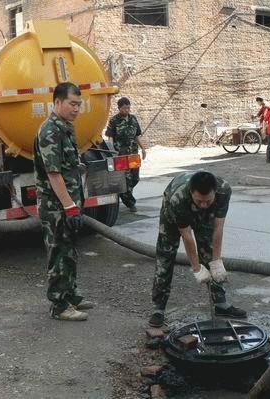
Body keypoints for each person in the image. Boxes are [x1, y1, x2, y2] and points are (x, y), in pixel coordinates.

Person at [149, 171, 247, 327]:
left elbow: (218, 227)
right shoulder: (178, 199)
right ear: (191, 193)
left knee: (207, 251)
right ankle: (158, 308)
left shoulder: (224, 190)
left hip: (205, 214)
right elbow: (186, 236)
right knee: (166, 255)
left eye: (207, 201)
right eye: (199, 201)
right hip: (172, 212)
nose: (203, 205)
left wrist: (216, 261)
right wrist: (196, 268)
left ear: (215, 192)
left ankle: (220, 304)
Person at [33, 82, 94, 321]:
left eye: (79, 104)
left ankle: (71, 295)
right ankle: (59, 305)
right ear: (57, 102)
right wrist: (69, 206)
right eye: (72, 104)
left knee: (69, 251)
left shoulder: (66, 127)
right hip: (56, 207)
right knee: (58, 252)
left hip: (68, 204)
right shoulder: (50, 130)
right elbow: (53, 173)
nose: (76, 109)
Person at [105, 97, 146, 213]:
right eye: (124, 108)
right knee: (126, 180)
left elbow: (137, 135)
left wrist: (143, 148)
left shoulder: (133, 119)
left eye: (128, 108)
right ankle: (130, 203)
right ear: (119, 108)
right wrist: (111, 151)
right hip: (121, 155)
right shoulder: (114, 121)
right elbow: (110, 137)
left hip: (133, 154)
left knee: (135, 178)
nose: (126, 110)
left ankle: (123, 193)